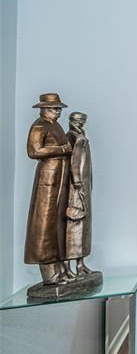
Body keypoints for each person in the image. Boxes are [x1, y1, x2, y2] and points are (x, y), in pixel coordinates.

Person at [25, 93, 72, 286]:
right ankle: (49, 274)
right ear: (43, 109)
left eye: (59, 108)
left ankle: (60, 270)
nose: (57, 112)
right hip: (47, 177)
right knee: (44, 222)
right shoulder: (39, 126)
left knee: (57, 221)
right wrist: (61, 150)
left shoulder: (55, 125)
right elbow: (34, 151)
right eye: (54, 108)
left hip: (59, 177)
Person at [65, 111, 94, 277]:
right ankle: (67, 267)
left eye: (83, 120)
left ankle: (81, 265)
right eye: (78, 120)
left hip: (83, 183)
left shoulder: (80, 135)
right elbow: (73, 161)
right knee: (73, 223)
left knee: (83, 225)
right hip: (76, 186)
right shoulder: (72, 136)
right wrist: (76, 181)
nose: (81, 123)